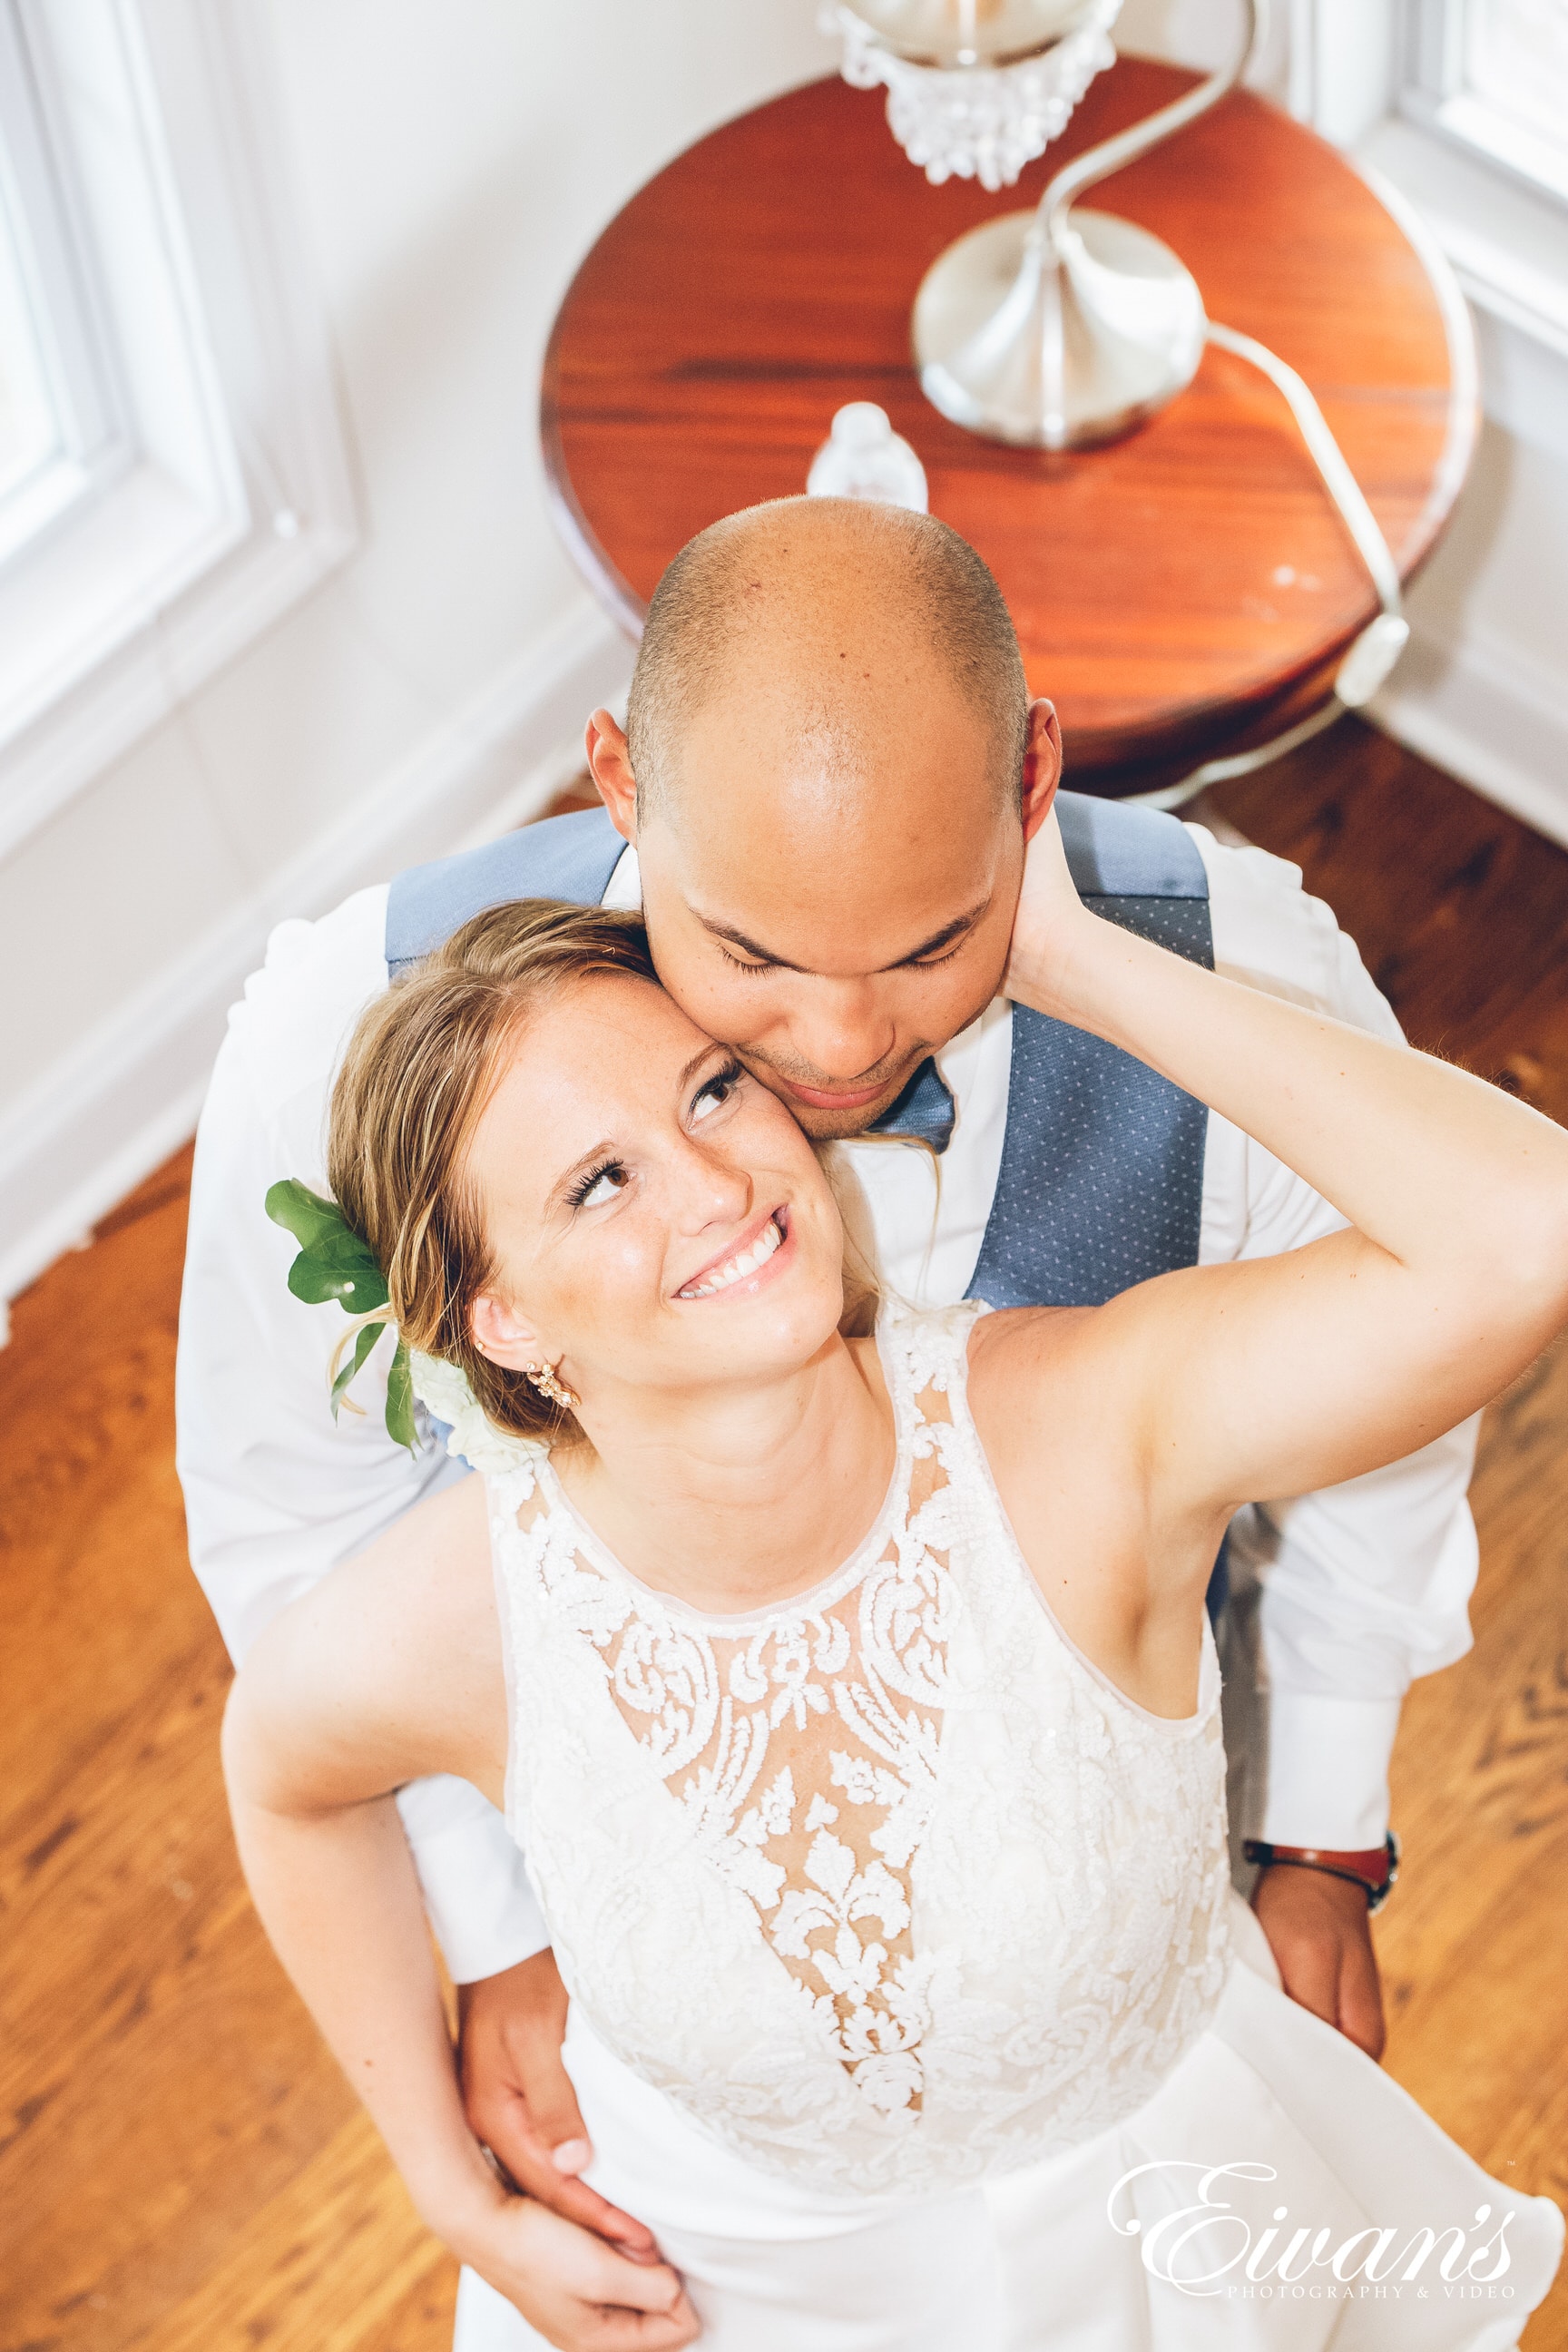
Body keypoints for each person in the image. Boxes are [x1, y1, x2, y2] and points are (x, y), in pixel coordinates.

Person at [177, 500, 1480, 2320]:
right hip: (697, 2035)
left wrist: (1325, 1834)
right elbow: (289, 1520)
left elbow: (1387, 1435)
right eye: (756, 962)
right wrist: (501, 1933)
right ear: (620, 783)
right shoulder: (343, 1031)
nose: (847, 1048)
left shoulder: (1235, 968)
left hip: (1115, 1869)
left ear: (1035, 780)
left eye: (939, 941)